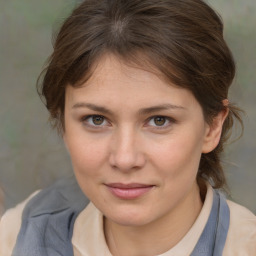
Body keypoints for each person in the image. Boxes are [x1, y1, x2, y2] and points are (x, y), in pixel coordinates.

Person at [0, 0, 255, 255]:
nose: (124, 158)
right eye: (96, 119)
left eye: (159, 120)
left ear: (212, 127)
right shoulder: (18, 234)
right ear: (62, 124)